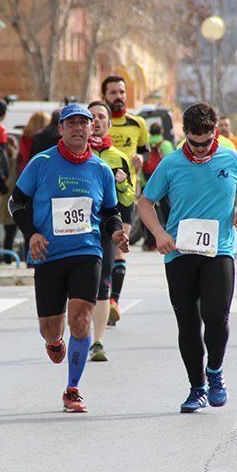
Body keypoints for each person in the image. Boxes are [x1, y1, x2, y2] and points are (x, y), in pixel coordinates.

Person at [8, 103, 129, 412]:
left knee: (80, 318)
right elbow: (17, 203)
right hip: (48, 254)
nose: (78, 127)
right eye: (71, 123)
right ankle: (53, 341)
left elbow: (112, 212)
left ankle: (72, 388)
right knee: (50, 327)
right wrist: (32, 233)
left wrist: (116, 233)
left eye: (83, 123)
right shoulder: (42, 162)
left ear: (92, 130)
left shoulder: (100, 170)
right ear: (60, 129)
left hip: (86, 252)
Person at [136, 102, 237, 413]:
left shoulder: (230, 157)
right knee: (188, 323)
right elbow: (145, 203)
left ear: (214, 132)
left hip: (220, 250)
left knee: (216, 316)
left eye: (205, 142)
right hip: (180, 252)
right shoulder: (171, 164)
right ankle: (196, 386)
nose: (200, 150)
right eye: (193, 143)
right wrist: (159, 234)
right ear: (185, 134)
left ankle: (215, 372)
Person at [86, 100, 134, 362]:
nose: (96, 121)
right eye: (91, 117)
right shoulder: (74, 153)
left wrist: (123, 185)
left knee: (103, 281)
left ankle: (97, 342)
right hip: (77, 226)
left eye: (101, 117)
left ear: (109, 123)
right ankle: (75, 333)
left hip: (103, 225)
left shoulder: (119, 157)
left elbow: (128, 199)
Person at [102, 75, 149, 326]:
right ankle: (100, 296)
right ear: (104, 96)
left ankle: (114, 302)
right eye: (113, 92)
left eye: (121, 92)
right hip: (98, 194)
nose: (118, 96)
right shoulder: (98, 122)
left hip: (125, 193)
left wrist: (141, 158)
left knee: (121, 247)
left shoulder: (137, 123)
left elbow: (145, 149)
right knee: (102, 248)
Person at [141, 123, 174, 251]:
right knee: (167, 211)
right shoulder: (165, 144)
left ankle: (149, 242)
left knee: (147, 210)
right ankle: (169, 236)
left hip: (147, 181)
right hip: (163, 184)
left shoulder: (146, 144)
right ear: (161, 131)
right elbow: (171, 165)